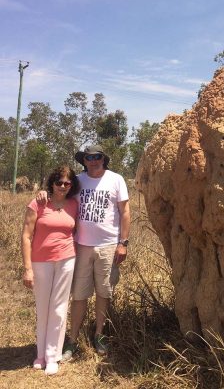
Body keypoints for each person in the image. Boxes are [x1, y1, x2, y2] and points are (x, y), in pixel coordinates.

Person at [39, 145, 130, 360]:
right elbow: (59, 193)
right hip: (80, 245)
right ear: (84, 160)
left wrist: (123, 242)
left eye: (97, 156)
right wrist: (43, 192)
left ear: (103, 159)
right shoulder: (78, 181)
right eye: (89, 157)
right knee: (79, 294)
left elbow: (125, 211)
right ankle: (72, 339)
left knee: (103, 292)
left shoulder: (116, 179)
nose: (93, 160)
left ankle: (99, 334)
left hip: (108, 245)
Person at [21, 166, 80, 375]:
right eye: (59, 182)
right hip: (40, 261)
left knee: (59, 307)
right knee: (43, 307)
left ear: (72, 186)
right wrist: (27, 268)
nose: (63, 186)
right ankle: (40, 354)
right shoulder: (39, 202)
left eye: (67, 183)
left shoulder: (74, 204)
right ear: (52, 183)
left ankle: (53, 355)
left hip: (66, 259)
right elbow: (26, 236)